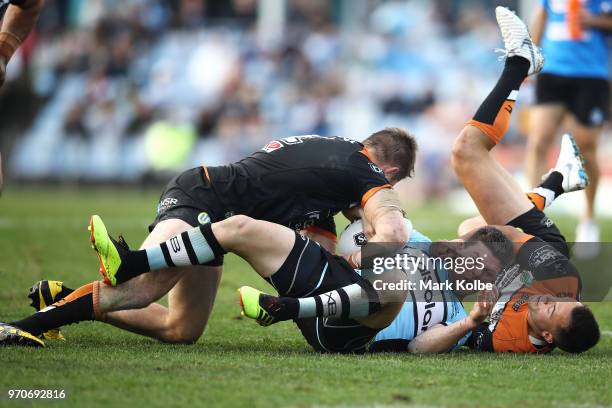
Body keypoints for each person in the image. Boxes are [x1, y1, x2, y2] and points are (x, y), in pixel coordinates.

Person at [241, 7, 600, 354]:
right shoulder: (558, 279)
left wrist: (468, 313)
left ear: (547, 336)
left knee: (417, 228)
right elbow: (498, 235)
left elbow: (433, 339)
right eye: (556, 302)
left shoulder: (506, 339)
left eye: (550, 309)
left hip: (436, 282)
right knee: (467, 163)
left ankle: (555, 181)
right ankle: (520, 65)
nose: (547, 301)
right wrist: (454, 252)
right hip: (536, 248)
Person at [0, 130, 416, 346]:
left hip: (218, 222)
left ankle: (66, 297)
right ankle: (24, 327)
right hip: (203, 198)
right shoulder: (362, 169)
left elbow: (316, 253)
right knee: (142, 289)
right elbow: (393, 230)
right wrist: (369, 254)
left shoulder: (334, 175)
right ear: (390, 175)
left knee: (182, 329)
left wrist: (341, 263)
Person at [526, 0, 612, 249]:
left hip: (591, 74)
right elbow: (542, 16)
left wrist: (594, 21)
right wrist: (532, 58)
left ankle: (588, 218)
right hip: (552, 71)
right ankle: (534, 217)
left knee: (586, 148)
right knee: (538, 139)